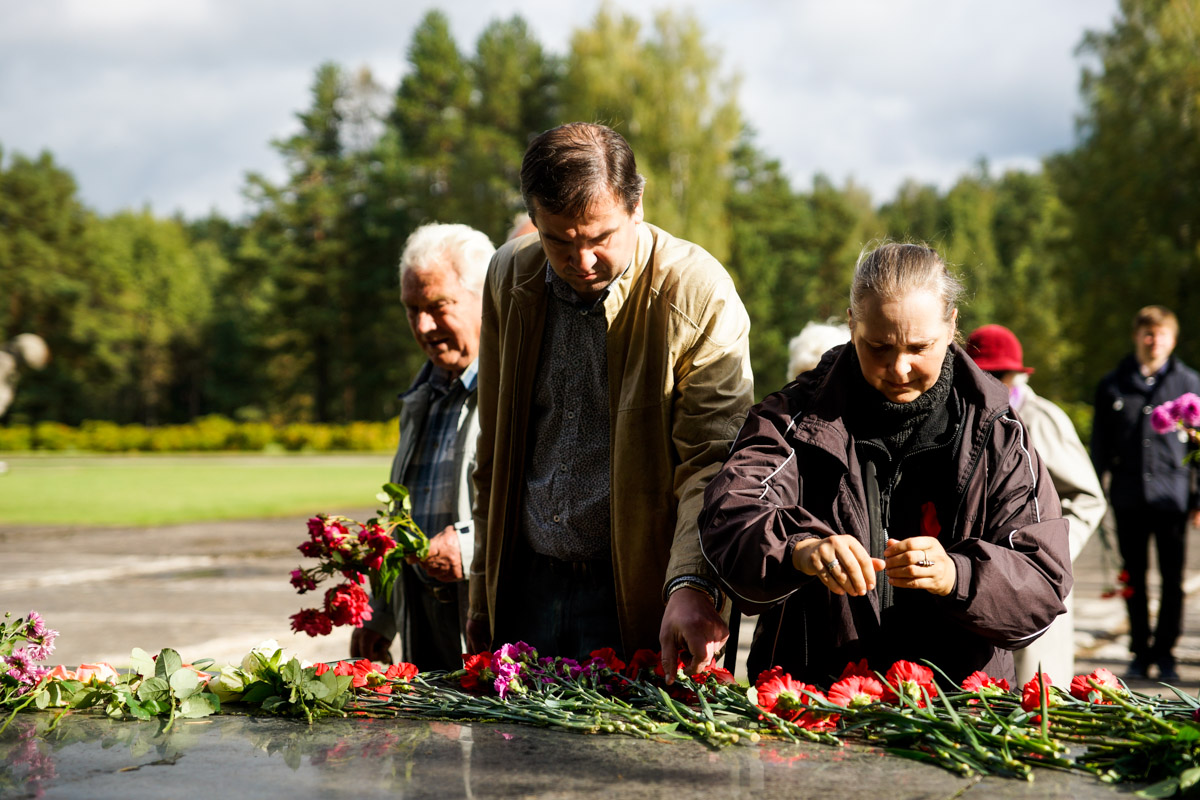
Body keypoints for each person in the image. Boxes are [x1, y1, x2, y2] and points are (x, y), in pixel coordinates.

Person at [699, 242, 1072, 687]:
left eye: (920, 347)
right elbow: (729, 516)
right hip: (811, 703)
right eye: (879, 346)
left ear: (952, 324)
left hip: (958, 711)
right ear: (852, 324)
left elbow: (1043, 578)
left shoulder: (998, 432)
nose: (899, 368)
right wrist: (800, 549)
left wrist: (958, 573)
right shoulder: (792, 418)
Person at [469, 122, 754, 677]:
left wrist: (692, 582)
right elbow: (493, 452)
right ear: (534, 221)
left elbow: (714, 463)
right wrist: (483, 591)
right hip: (527, 587)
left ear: (637, 205)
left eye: (600, 237)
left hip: (644, 594)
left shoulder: (696, 291)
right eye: (558, 240)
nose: (582, 260)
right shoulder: (508, 275)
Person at [349, 222, 495, 671]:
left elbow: (546, 503)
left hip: (488, 624)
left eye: (437, 306)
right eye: (411, 309)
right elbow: (402, 521)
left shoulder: (513, 389)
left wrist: (469, 549)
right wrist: (381, 615)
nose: (423, 326)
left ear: (485, 298)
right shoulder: (422, 396)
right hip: (424, 624)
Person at [967, 324, 1106, 683]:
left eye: (1001, 374)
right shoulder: (962, 418)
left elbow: (1087, 497)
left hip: (1033, 583)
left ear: (1017, 374)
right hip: (980, 582)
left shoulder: (1042, 419)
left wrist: (1048, 553)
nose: (993, 381)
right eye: (984, 372)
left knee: (1037, 700)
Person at [1091, 305, 1200, 682]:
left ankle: (1166, 650)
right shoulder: (1112, 385)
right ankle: (1139, 650)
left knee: (1172, 579)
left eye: (1162, 335)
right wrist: (1094, 492)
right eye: (1148, 334)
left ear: (1173, 339)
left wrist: (1198, 498)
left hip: (1173, 498)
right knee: (1133, 577)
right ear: (1137, 337)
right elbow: (1100, 446)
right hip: (1128, 496)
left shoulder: (1189, 384)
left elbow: (1199, 446)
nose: (1154, 341)